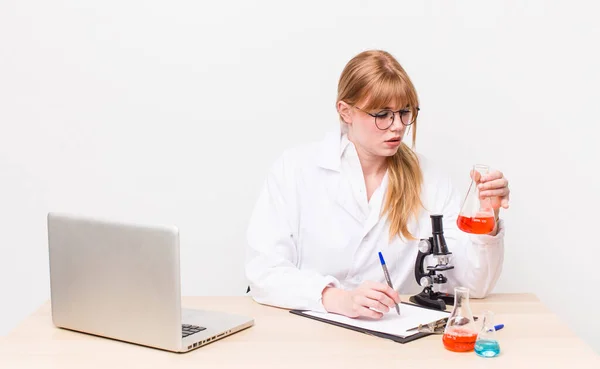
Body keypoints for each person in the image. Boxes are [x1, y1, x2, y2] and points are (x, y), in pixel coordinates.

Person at [245, 50, 510, 319]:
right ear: (345, 111)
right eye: (382, 114)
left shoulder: (431, 179)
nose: (397, 126)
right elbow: (264, 272)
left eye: (405, 112)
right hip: (308, 333)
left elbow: (474, 286)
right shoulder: (294, 169)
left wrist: (488, 217)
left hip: (390, 336)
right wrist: (337, 298)